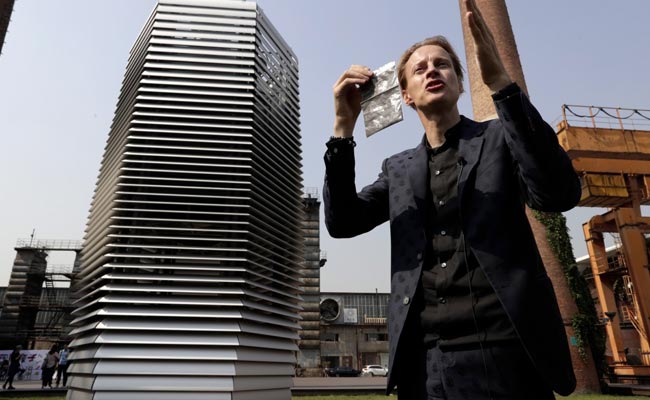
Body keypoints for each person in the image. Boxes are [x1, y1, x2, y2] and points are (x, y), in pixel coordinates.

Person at [323, 0, 579, 399]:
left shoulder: (500, 140)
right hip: (426, 366)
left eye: (442, 64)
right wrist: (342, 128)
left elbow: (558, 194)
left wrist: (501, 85)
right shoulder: (399, 168)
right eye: (419, 68)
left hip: (507, 354)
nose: (431, 71)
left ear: (460, 82)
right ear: (404, 95)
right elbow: (343, 223)